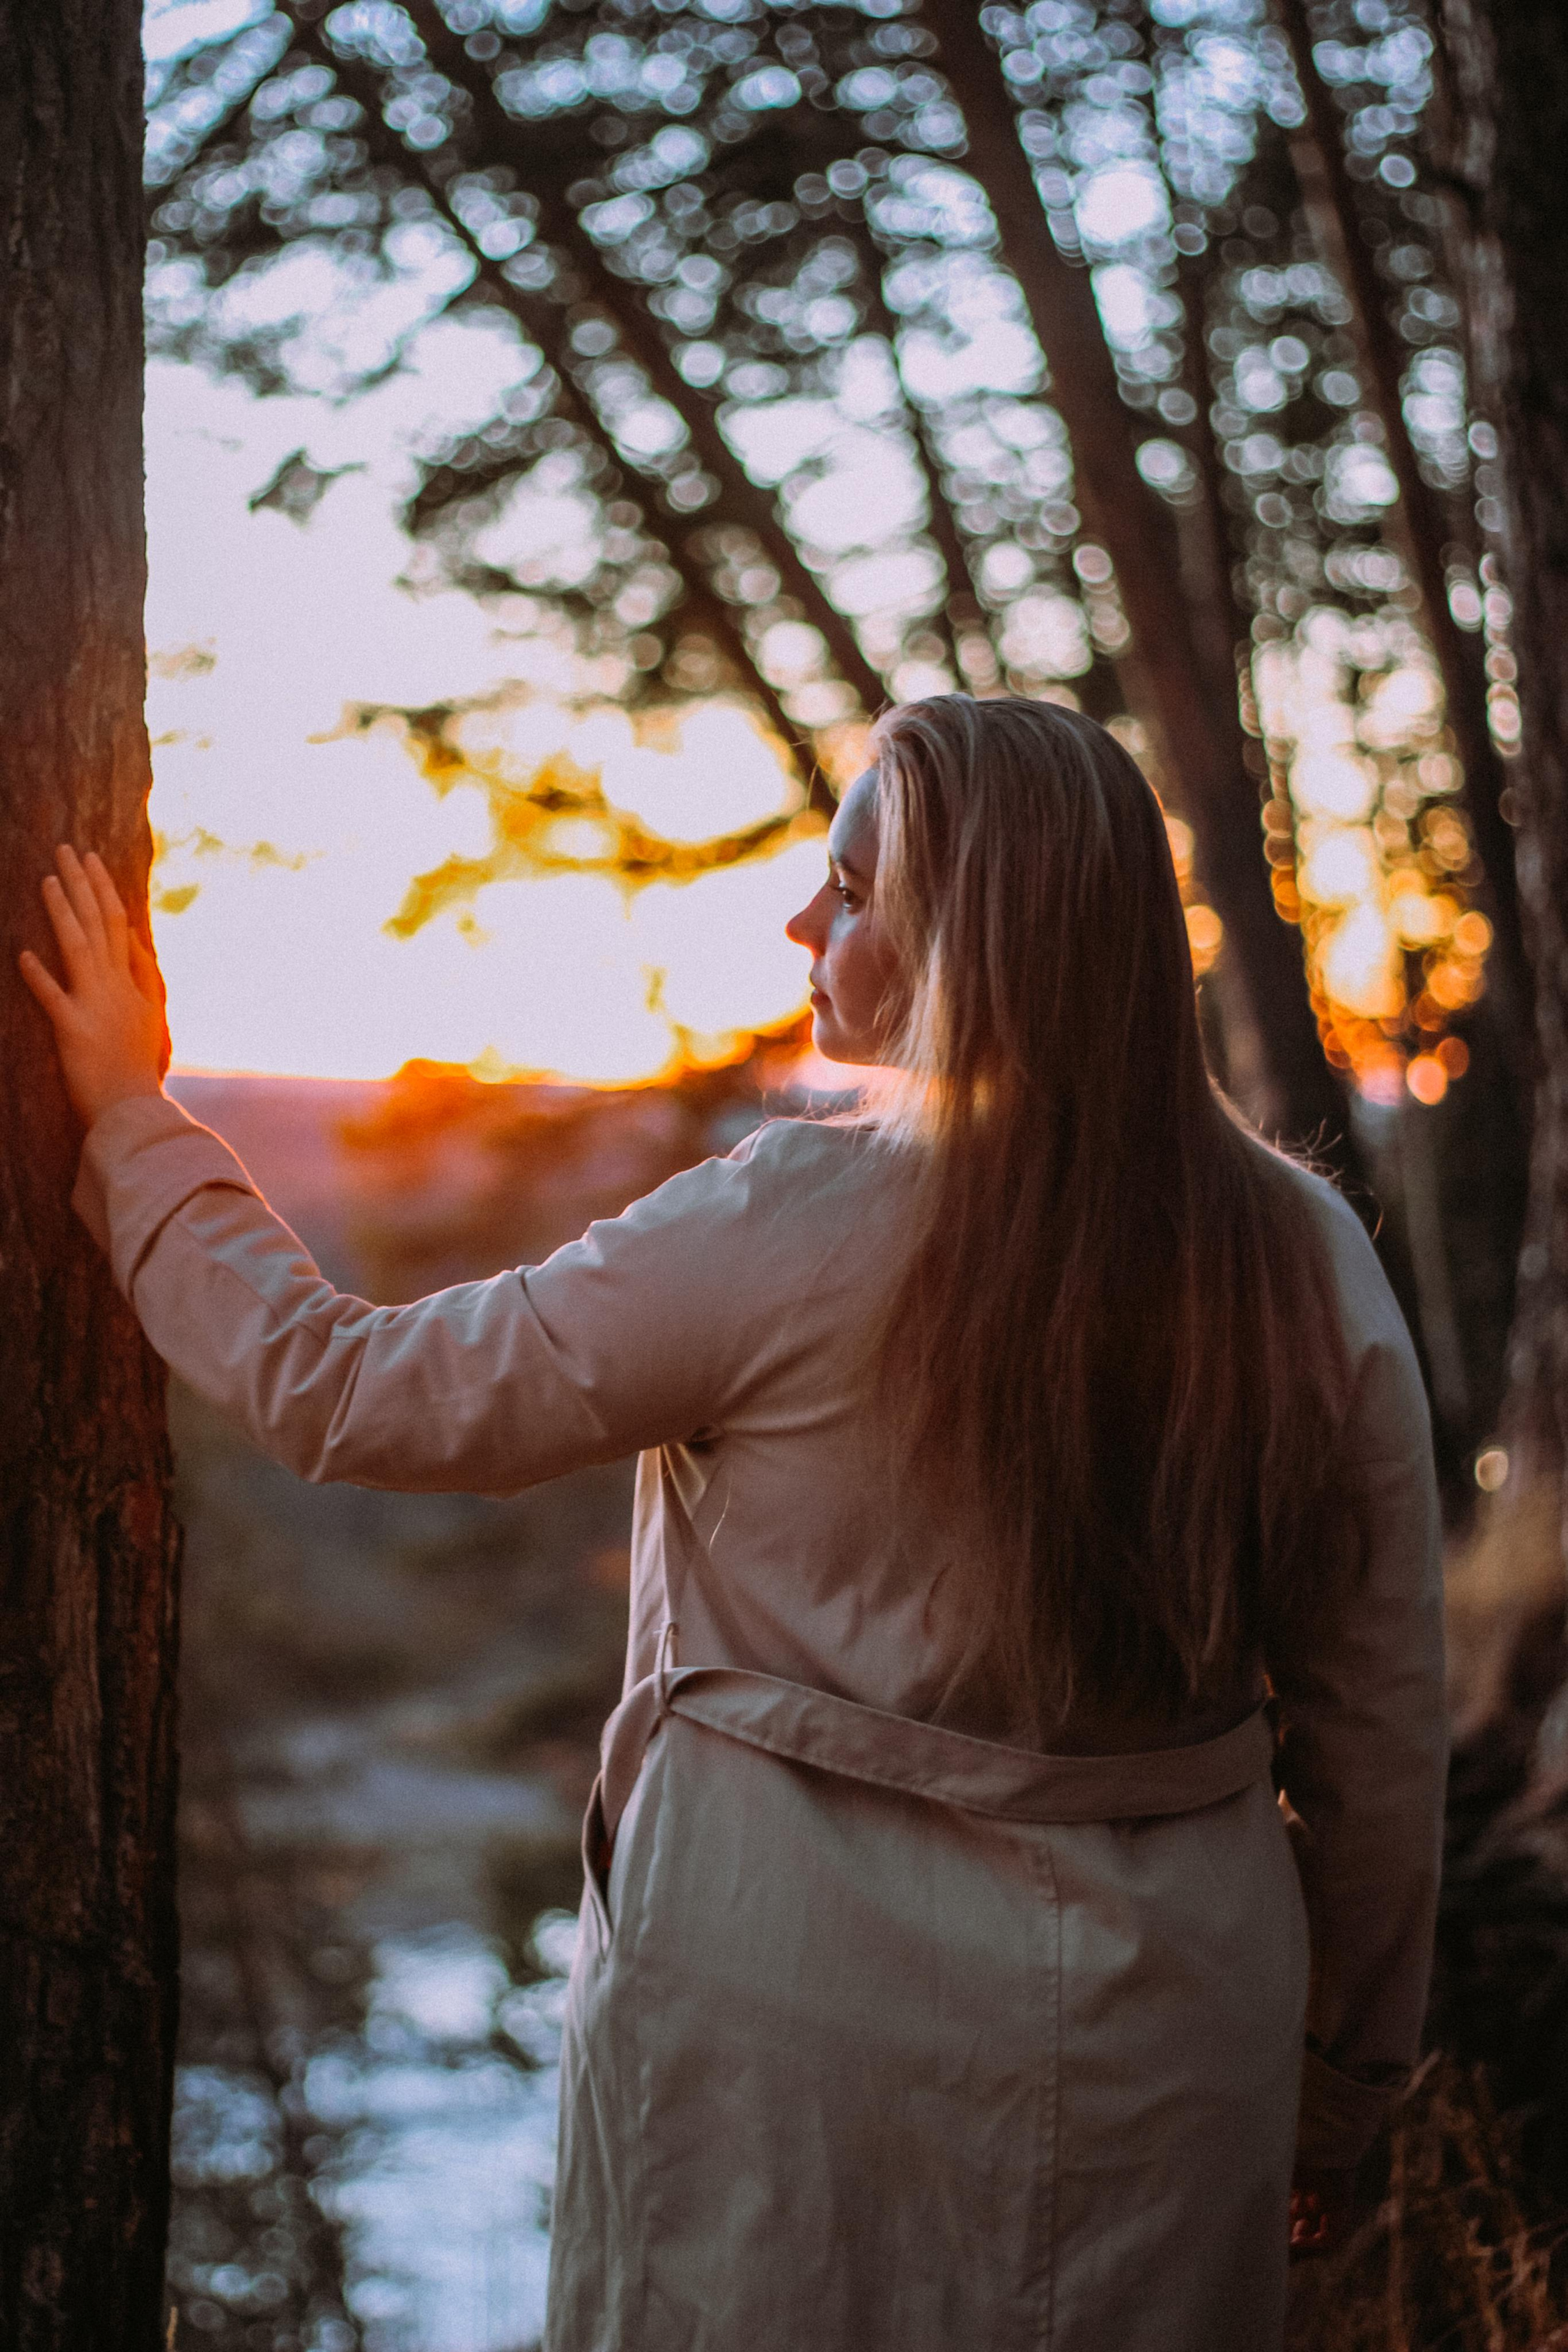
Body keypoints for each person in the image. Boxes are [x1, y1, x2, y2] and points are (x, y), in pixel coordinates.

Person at [23, 695, 1445, 2351]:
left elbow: (350, 1391)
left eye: (849, 890)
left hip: (796, 2031)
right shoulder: (1308, 1252)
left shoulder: (785, 1223)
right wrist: (1345, 2091)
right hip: (1179, 2038)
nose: (801, 920)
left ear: (966, 937)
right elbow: (1376, 1728)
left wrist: (135, 1125)